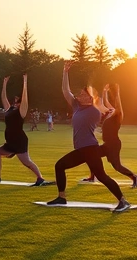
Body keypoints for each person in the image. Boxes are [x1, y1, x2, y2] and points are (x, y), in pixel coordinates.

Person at [47, 62, 130, 212]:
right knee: (60, 166)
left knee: (102, 176)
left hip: (90, 149)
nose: (78, 96)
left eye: (82, 94)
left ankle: (123, 201)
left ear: (89, 98)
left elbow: (109, 107)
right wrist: (65, 72)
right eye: (79, 94)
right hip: (81, 149)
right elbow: (65, 90)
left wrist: (114, 95)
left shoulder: (94, 110)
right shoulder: (77, 106)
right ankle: (62, 197)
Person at [0, 75, 46, 185]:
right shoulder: (10, 109)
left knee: (26, 161)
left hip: (19, 140)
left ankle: (40, 178)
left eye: (17, 100)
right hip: (10, 141)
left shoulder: (21, 111)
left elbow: (25, 99)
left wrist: (25, 83)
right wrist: (4, 84)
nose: (15, 101)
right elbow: (3, 98)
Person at [84, 84, 137, 187]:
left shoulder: (118, 115)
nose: (111, 106)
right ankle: (92, 177)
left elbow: (118, 105)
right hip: (107, 144)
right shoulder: (111, 112)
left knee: (117, 166)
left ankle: (134, 177)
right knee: (91, 155)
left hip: (113, 145)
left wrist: (117, 93)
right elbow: (106, 103)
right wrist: (105, 91)